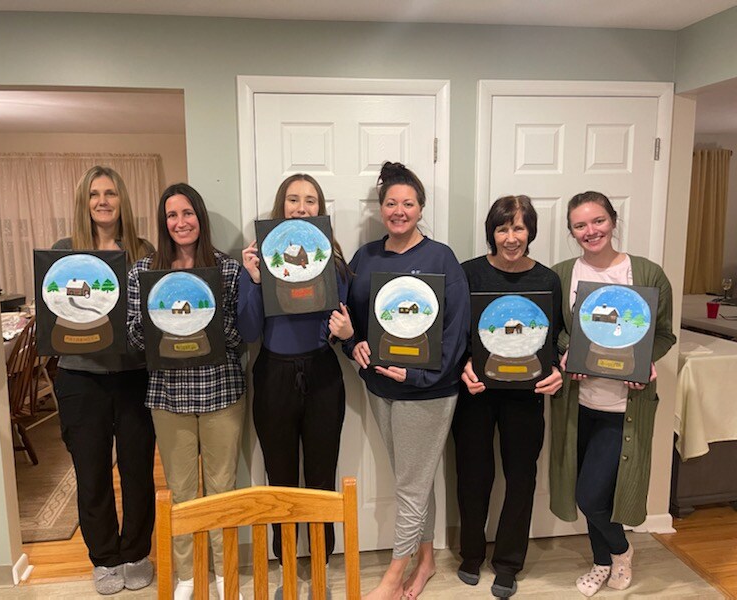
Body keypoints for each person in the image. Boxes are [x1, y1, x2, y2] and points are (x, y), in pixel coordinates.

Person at [345, 162, 470, 600]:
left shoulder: (441, 258)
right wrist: (353, 345)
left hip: (428, 391)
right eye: (391, 203)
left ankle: (394, 577)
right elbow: (349, 318)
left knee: (411, 486)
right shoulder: (365, 257)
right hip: (380, 386)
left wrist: (419, 373)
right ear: (381, 208)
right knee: (413, 478)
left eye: (409, 203)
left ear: (421, 208)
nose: (399, 211)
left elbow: (456, 330)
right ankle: (427, 561)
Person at [551, 191, 676, 597]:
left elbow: (663, 334)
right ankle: (601, 562)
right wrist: (567, 350)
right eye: (580, 225)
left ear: (613, 220)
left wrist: (645, 361)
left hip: (625, 407)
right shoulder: (562, 274)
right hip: (578, 405)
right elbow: (554, 331)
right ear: (571, 231)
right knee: (591, 492)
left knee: (592, 496)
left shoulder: (647, 274)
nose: (591, 231)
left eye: (598, 221)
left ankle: (620, 552)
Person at [126, 183, 245, 600]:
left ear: (200, 217)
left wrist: (209, 318)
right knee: (181, 491)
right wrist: (163, 322)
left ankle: (225, 574)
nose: (181, 222)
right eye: (172, 215)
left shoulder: (228, 271)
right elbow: (134, 338)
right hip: (168, 397)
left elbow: (241, 337)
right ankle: (189, 575)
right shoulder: (144, 274)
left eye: (188, 213)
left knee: (222, 489)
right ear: (164, 223)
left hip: (221, 392)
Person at [237, 174, 353, 596]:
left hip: (322, 375)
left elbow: (341, 325)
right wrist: (254, 280)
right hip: (273, 376)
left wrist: (343, 331)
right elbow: (249, 331)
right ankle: (287, 571)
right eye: (292, 200)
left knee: (322, 480)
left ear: (320, 209)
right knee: (280, 481)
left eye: (310, 201)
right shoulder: (258, 260)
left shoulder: (333, 262)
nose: (301, 207)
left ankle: (319, 571)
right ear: (280, 206)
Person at [51, 165, 156, 595]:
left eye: (110, 193)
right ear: (84, 201)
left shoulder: (144, 251)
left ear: (121, 199)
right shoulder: (64, 252)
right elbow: (54, 312)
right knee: (92, 472)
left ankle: (136, 552)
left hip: (134, 376)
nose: (102, 201)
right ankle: (105, 558)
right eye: (94, 194)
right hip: (80, 378)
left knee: (137, 470)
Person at [452, 195, 563, 598]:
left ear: (530, 231)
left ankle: (508, 562)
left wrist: (558, 370)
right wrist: (463, 365)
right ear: (492, 232)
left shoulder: (547, 280)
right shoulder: (468, 273)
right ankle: (470, 553)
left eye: (519, 227)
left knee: (520, 477)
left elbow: (556, 338)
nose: (511, 237)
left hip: (526, 395)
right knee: (472, 475)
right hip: (476, 393)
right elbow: (454, 333)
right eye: (503, 228)